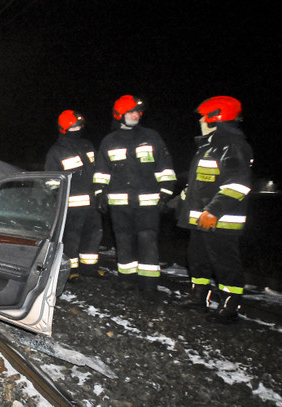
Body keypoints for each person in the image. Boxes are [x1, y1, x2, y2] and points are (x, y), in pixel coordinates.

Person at [176, 96, 252, 323]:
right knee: (198, 259)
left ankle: (230, 308)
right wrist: (182, 200)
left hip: (219, 220)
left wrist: (213, 211)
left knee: (225, 263)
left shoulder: (234, 146)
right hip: (201, 219)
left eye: (203, 116)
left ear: (215, 118)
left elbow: (238, 184)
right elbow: (202, 183)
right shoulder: (209, 146)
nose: (200, 119)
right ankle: (199, 298)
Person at [93, 95, 177, 301]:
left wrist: (165, 194)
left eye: (138, 112)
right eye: (130, 112)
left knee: (147, 240)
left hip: (148, 204)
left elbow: (165, 168)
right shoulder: (109, 141)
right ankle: (126, 280)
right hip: (119, 205)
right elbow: (101, 171)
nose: (135, 115)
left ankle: (149, 285)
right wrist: (99, 193)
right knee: (123, 241)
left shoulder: (152, 137)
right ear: (119, 115)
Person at [45, 110, 104, 282]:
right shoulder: (56, 152)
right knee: (72, 238)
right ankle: (70, 270)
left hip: (93, 204)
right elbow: (51, 182)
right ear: (64, 128)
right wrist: (59, 200)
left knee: (94, 235)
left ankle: (90, 268)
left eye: (79, 126)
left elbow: (99, 169)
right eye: (74, 126)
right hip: (72, 206)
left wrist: (101, 193)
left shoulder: (87, 145)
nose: (78, 129)